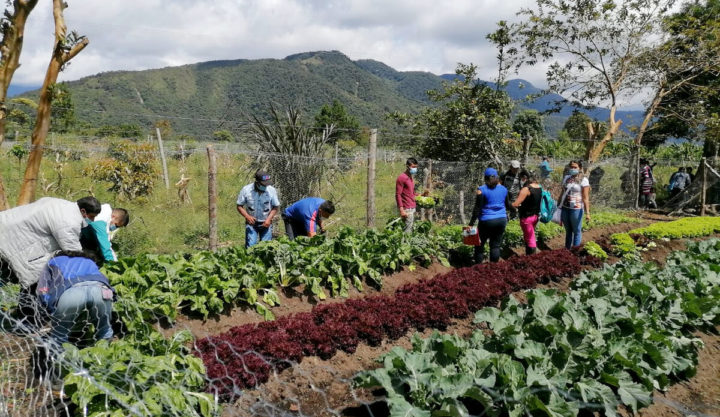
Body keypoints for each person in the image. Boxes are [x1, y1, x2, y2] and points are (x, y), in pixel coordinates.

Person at [0, 196, 101, 289]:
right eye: (92, 216)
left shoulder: (59, 204)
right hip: (10, 241)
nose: (92, 220)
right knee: (9, 274)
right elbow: (73, 251)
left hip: (7, 227)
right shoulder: (69, 221)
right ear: (83, 211)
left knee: (4, 273)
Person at [36, 250, 115, 348]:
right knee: (104, 329)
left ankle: (61, 361)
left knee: (59, 337)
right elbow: (103, 279)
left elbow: (42, 290)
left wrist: (49, 309)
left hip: (71, 293)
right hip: (100, 290)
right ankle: (107, 356)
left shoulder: (52, 262)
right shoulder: (89, 261)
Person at [468, 167, 511, 264]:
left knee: (479, 244)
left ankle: (479, 268)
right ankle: (493, 269)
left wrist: (471, 224)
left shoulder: (481, 190)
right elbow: (508, 205)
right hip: (501, 220)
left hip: (486, 221)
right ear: (496, 177)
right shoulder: (504, 189)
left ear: (485, 178)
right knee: (495, 245)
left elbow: (477, 209)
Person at [236, 170, 280, 247]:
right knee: (251, 246)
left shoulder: (271, 190)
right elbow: (239, 206)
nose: (265, 186)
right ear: (257, 182)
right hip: (251, 223)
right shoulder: (246, 190)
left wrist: (269, 219)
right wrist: (247, 216)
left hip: (266, 223)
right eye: (263, 184)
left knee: (265, 247)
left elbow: (275, 206)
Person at [558, 161, 591, 249]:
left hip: (576, 209)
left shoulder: (584, 180)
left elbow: (585, 197)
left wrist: (587, 213)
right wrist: (558, 205)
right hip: (565, 208)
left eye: (575, 167)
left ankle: (575, 251)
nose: (573, 169)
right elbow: (562, 192)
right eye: (571, 167)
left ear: (580, 168)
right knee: (568, 231)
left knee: (576, 231)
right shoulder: (566, 178)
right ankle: (567, 251)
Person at [512, 171, 542, 255]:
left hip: (527, 217)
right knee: (530, 236)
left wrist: (508, 204)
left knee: (530, 238)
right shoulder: (539, 188)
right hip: (535, 216)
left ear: (527, 178)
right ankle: (529, 256)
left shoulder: (526, 189)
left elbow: (516, 203)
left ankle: (531, 258)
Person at [396, 158, 419, 233]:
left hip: (412, 207)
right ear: (407, 166)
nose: (415, 169)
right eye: (413, 167)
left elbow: (411, 193)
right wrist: (401, 210)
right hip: (406, 209)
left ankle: (406, 243)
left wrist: (421, 195)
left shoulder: (410, 177)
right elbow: (398, 194)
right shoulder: (402, 178)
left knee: (409, 229)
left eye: (416, 167)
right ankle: (405, 244)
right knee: (407, 231)